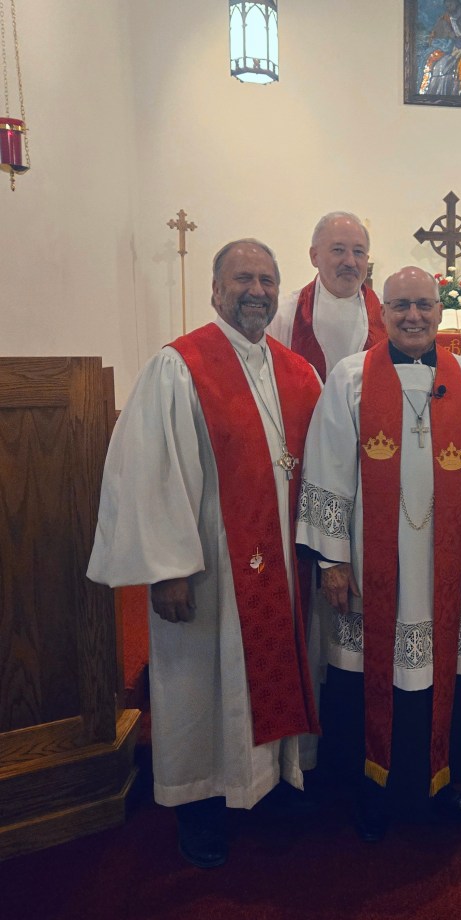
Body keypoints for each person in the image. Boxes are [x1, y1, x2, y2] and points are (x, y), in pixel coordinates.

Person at [87, 239, 323, 868]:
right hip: (208, 570)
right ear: (216, 290)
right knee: (199, 683)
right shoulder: (180, 366)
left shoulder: (298, 372)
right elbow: (152, 473)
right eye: (242, 279)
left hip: (283, 569)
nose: (256, 291)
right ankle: (199, 805)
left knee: (276, 668)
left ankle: (271, 783)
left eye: (267, 280)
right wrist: (167, 570)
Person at [296, 265, 461, 841]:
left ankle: (440, 784)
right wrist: (333, 560)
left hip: (441, 565)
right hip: (369, 564)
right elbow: (328, 467)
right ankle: (371, 791)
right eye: (401, 305)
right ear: (382, 312)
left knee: (441, 676)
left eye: (423, 305)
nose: (413, 316)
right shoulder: (351, 378)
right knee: (366, 677)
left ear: (439, 311)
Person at [268, 211, 386, 381]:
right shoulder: (283, 315)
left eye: (358, 252)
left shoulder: (387, 313)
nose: (350, 262)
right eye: (338, 250)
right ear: (314, 256)